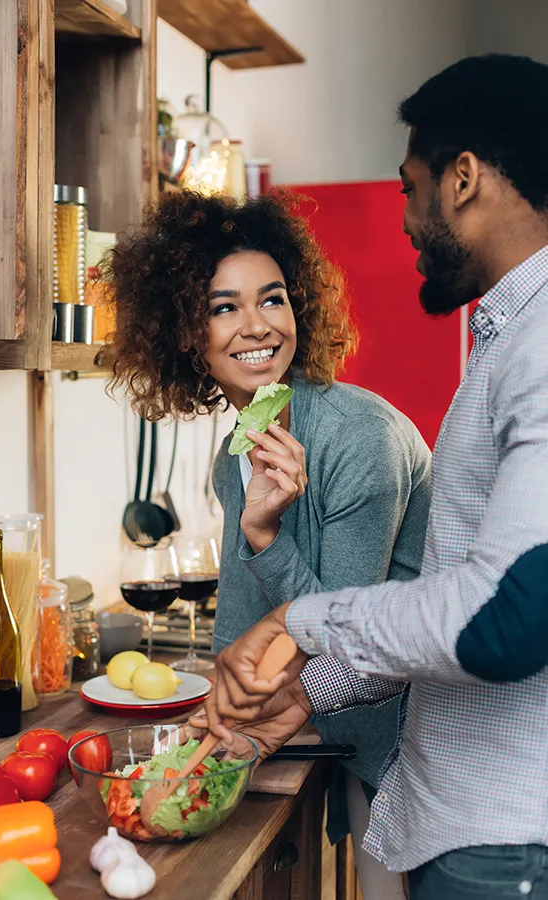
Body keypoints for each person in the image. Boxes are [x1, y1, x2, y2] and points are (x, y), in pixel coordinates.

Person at [204, 53, 548, 900]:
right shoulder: (506, 341)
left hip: (505, 839)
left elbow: (503, 621)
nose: (402, 219)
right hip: (464, 823)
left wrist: (299, 618)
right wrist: (306, 690)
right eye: (221, 307)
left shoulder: (538, 347)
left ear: (461, 179)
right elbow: (444, 603)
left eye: (408, 187)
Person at [107, 189, 431, 899]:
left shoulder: (360, 440)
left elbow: (350, 634)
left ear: (299, 309)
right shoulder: (239, 450)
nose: (255, 325)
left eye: (272, 299)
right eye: (223, 306)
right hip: (334, 719)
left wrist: (264, 534)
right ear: (187, 333)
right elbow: (250, 626)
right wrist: (220, 711)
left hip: (415, 745)